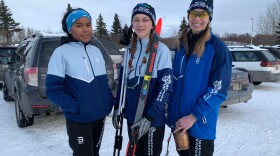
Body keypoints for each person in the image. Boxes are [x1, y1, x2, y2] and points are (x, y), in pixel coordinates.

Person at [166, 0, 232, 155]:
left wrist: (193, 117)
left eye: (202, 14)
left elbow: (218, 90)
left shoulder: (217, 48)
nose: (197, 19)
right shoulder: (181, 45)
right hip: (180, 124)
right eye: (193, 14)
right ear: (188, 16)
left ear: (209, 18)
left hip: (200, 124)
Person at [45, 8, 114, 156]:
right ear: (70, 29)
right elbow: (52, 90)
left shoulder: (96, 51)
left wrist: (108, 102)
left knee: (95, 152)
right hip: (79, 119)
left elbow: (103, 83)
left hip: (99, 116)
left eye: (88, 25)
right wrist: (76, 108)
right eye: (79, 25)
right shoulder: (61, 53)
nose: (85, 29)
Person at [112, 3, 173, 156]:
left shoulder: (161, 49)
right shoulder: (128, 50)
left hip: (151, 120)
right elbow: (122, 85)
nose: (140, 24)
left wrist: (151, 115)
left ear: (152, 24)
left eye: (145, 20)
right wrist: (117, 108)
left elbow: (166, 86)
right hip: (132, 118)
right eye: (136, 20)